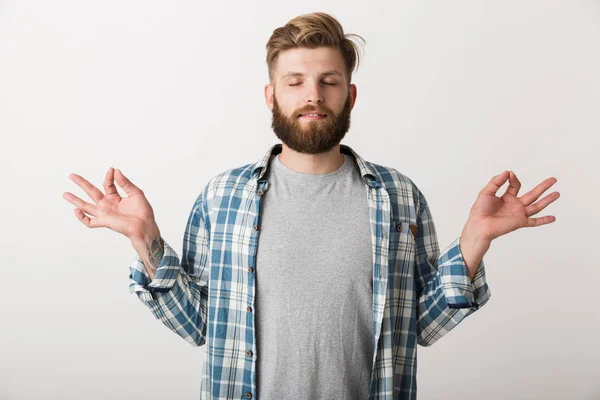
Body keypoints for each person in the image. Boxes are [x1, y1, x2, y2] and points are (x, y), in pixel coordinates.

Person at [62, 11, 560, 400]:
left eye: (329, 81)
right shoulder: (223, 196)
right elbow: (197, 326)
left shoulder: (399, 196)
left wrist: (474, 241)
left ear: (350, 95)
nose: (312, 96)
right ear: (271, 95)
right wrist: (145, 239)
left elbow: (421, 329)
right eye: (295, 81)